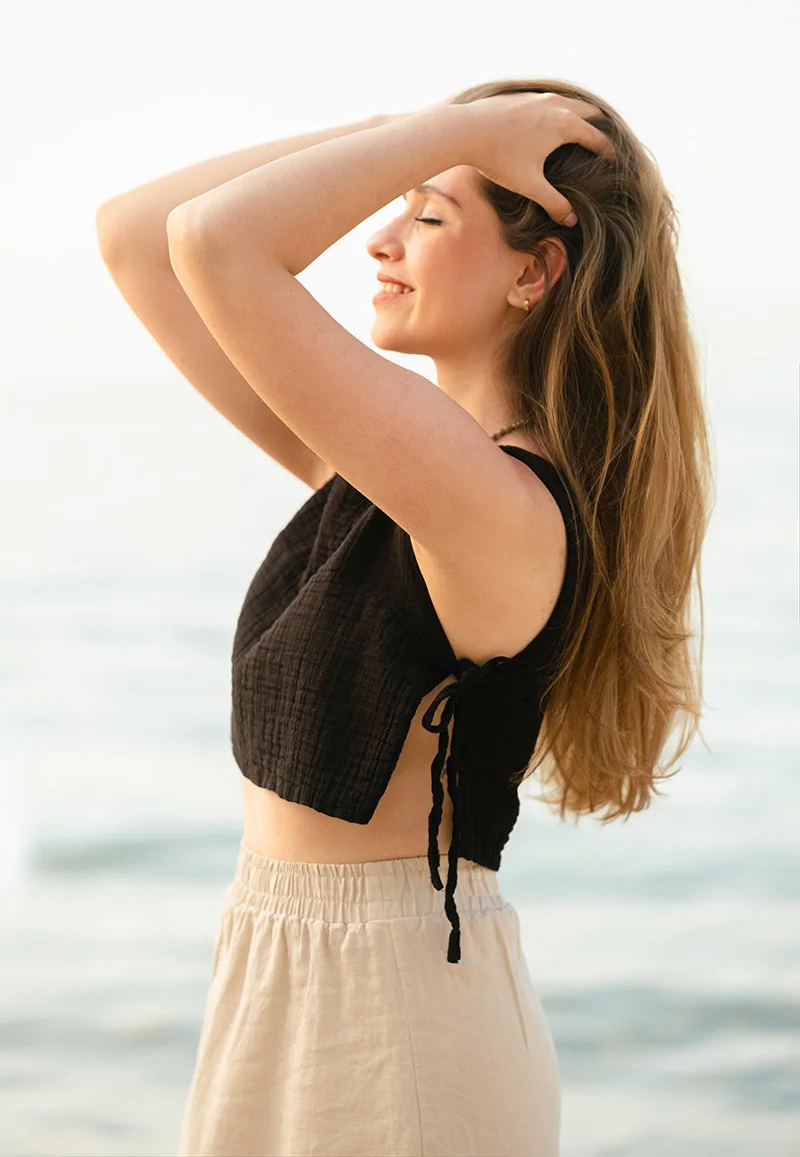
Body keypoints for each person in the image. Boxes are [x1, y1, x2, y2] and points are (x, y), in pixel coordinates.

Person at [96, 77, 714, 1157]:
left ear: (534, 271)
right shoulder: (395, 479)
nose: (379, 238)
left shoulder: (498, 507)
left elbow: (215, 240)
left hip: (402, 1013)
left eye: (425, 216)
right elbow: (137, 238)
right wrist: (405, 138)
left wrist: (457, 134)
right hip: (275, 971)